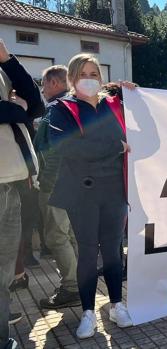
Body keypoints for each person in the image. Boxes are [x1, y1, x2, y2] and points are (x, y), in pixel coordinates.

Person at [47, 53, 134, 338]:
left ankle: (116, 304)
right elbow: (69, 149)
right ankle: (87, 311)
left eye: (95, 74)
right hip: (81, 192)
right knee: (87, 251)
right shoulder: (61, 109)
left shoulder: (115, 105)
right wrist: (115, 148)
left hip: (115, 189)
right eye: (83, 74)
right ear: (71, 79)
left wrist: (134, 93)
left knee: (112, 250)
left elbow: (141, 129)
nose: (89, 79)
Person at [1, 38, 45, 349]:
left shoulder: (3, 69)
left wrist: (7, 60)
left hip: (12, 180)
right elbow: (22, 110)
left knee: (3, 271)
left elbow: (36, 103)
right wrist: (16, 109)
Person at [34, 65, 82, 309]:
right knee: (72, 235)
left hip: (56, 183)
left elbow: (52, 150)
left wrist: (45, 179)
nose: (42, 90)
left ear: (54, 83)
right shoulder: (76, 105)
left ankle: (72, 288)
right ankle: (81, 284)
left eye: (43, 84)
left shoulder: (54, 109)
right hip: (77, 183)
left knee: (56, 236)